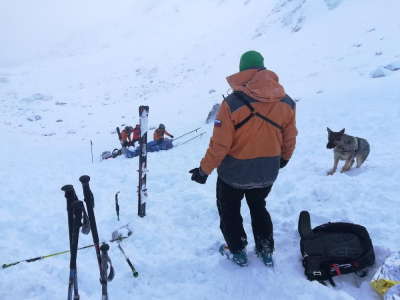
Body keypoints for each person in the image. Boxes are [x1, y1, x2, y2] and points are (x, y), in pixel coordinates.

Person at [189, 50, 298, 267]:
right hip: (267, 170)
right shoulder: (286, 102)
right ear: (263, 68)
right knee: (259, 207)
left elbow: (220, 144)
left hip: (234, 174)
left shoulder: (231, 103)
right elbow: (290, 137)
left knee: (229, 210)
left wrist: (204, 171)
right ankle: (266, 251)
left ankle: (238, 252)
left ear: (242, 71)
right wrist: (283, 159)